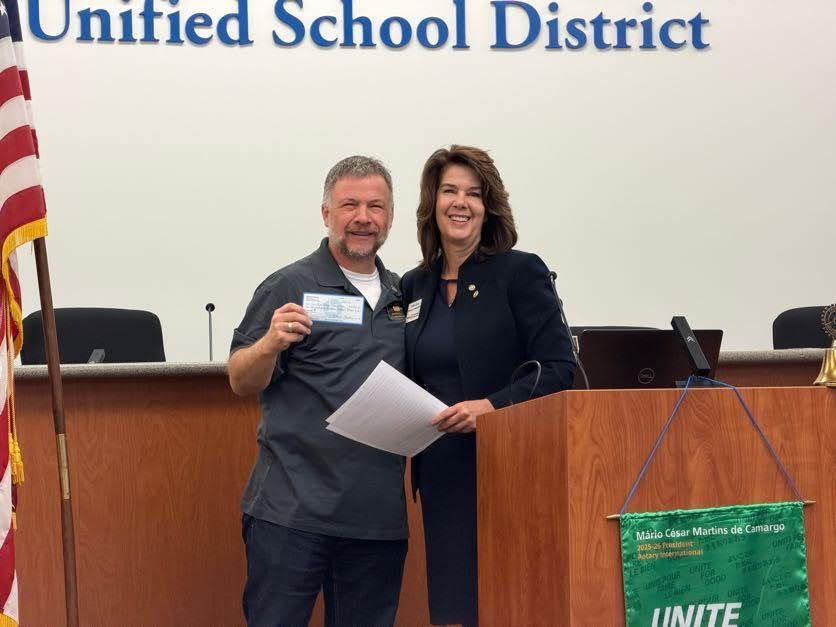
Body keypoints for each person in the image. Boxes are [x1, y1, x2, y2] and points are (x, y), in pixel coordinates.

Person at [228, 156, 408, 627]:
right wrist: (268, 344)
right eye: (350, 204)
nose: (363, 217)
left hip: (376, 521)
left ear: (390, 217)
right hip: (291, 515)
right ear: (326, 213)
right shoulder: (289, 284)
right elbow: (240, 379)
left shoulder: (404, 295)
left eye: (376, 206)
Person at [401, 145, 576, 626]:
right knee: (453, 606)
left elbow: (559, 368)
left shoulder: (519, 272)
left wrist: (493, 407)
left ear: (489, 206)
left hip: (508, 465)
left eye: (473, 193)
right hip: (441, 471)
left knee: (507, 601)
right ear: (432, 203)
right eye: (449, 191)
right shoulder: (415, 286)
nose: (460, 202)